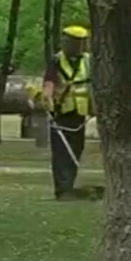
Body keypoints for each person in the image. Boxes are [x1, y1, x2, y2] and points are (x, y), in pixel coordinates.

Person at [42, 25, 93, 200]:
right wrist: (47, 99)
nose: (72, 45)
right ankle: (62, 189)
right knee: (61, 152)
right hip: (60, 112)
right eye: (68, 41)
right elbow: (49, 82)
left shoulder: (88, 61)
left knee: (76, 149)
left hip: (80, 113)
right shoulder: (56, 60)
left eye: (79, 42)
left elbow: (94, 84)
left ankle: (70, 184)